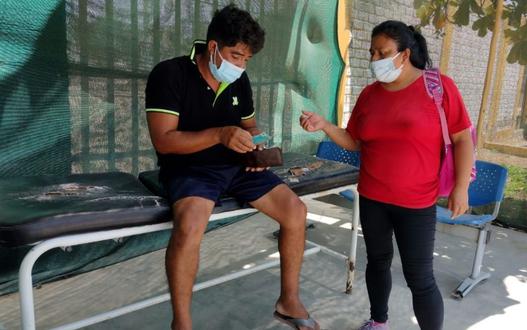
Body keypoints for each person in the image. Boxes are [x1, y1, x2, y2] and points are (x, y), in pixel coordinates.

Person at [145, 5, 319, 330]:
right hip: (189, 169)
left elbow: (250, 126)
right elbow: (164, 141)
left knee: (295, 211)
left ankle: (288, 301)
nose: (240, 65)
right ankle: (181, 323)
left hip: (237, 167)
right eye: (236, 55)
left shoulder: (239, 80)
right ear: (213, 48)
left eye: (246, 59)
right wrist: (219, 134)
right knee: (191, 224)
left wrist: (255, 147)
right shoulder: (169, 74)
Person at [300, 20, 474, 330]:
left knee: (419, 277)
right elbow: (354, 141)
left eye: (383, 53)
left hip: (417, 201)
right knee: (377, 262)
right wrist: (325, 125)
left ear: (404, 54)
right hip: (372, 197)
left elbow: (462, 139)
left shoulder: (438, 87)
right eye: (372, 53)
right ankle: (378, 321)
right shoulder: (369, 95)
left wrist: (461, 188)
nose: (375, 60)